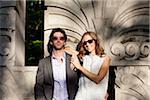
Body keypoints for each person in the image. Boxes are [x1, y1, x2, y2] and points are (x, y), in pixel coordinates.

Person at [34, 28, 79, 100]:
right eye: (55, 38)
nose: (58, 40)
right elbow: (39, 86)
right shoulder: (43, 63)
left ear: (64, 42)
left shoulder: (73, 60)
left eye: (61, 38)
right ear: (51, 42)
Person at [66, 31, 111, 100]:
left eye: (90, 41)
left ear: (95, 41)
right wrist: (74, 55)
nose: (87, 44)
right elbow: (66, 49)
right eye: (84, 43)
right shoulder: (84, 57)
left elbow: (98, 79)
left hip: (97, 97)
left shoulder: (105, 58)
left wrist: (80, 67)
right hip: (81, 96)